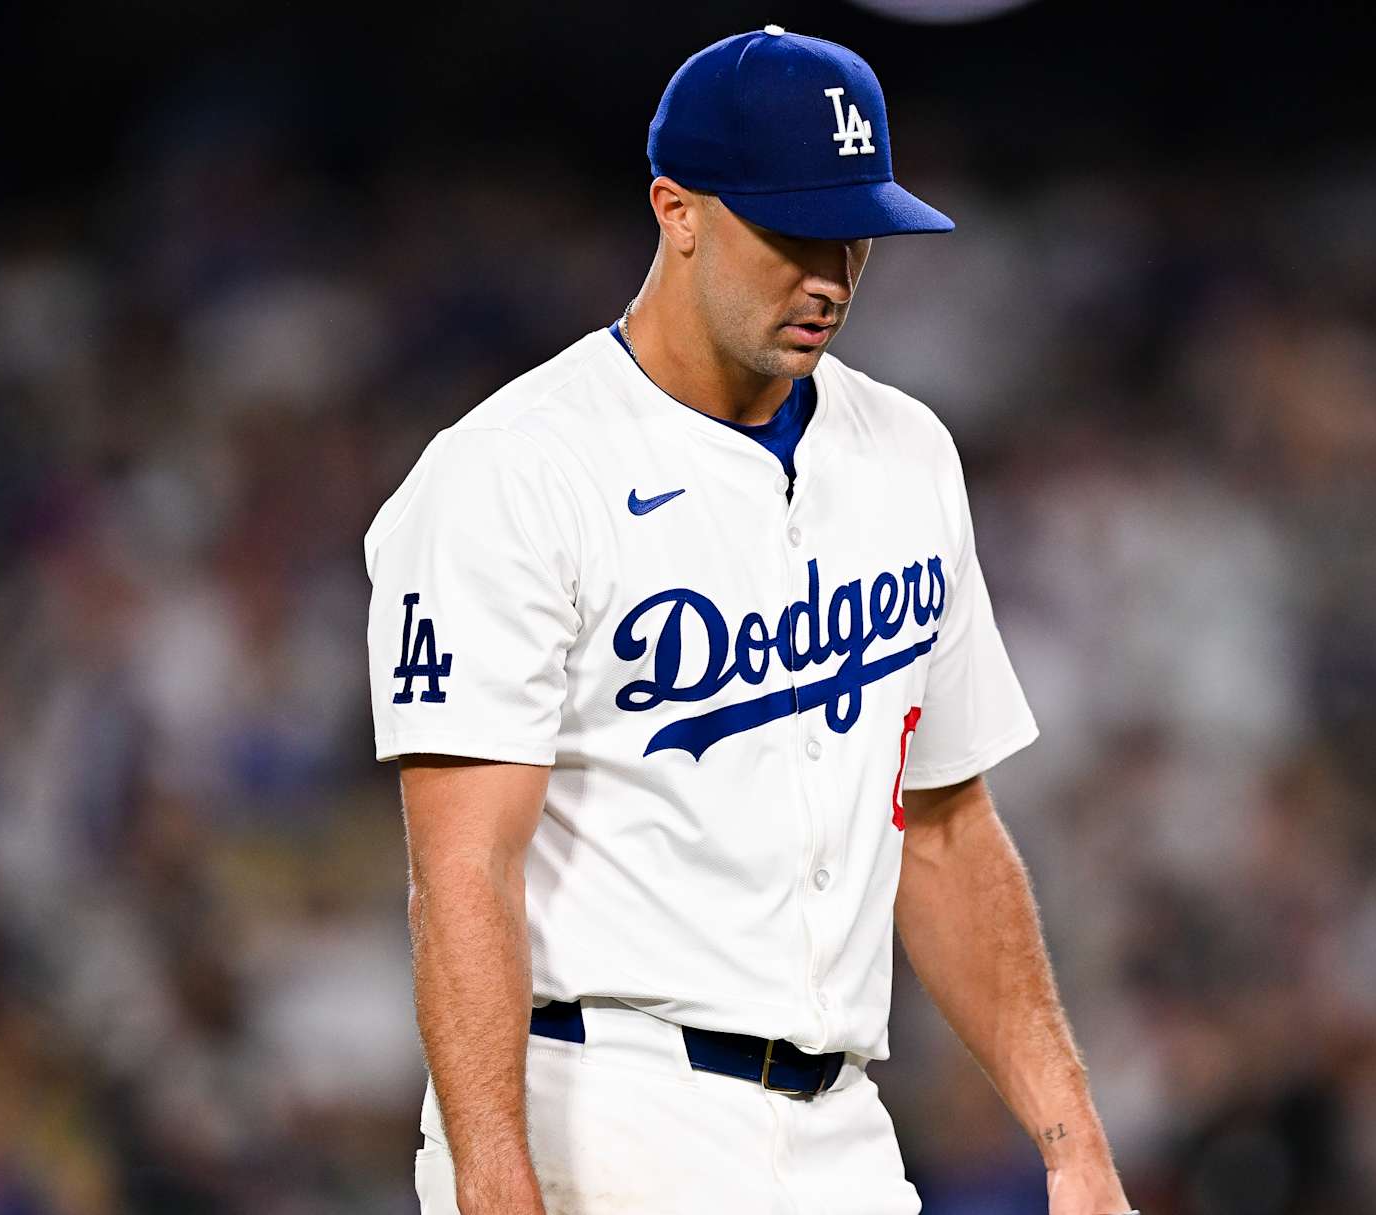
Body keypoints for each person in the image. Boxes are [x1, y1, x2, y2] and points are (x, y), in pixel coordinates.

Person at [364, 26, 1135, 1215]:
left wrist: (1071, 1137)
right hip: (604, 1108)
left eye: (852, 231)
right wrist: (494, 1174)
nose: (827, 272)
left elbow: (940, 824)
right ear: (676, 209)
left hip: (844, 1133)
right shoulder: (513, 471)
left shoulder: (906, 452)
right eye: (788, 230)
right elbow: (463, 864)